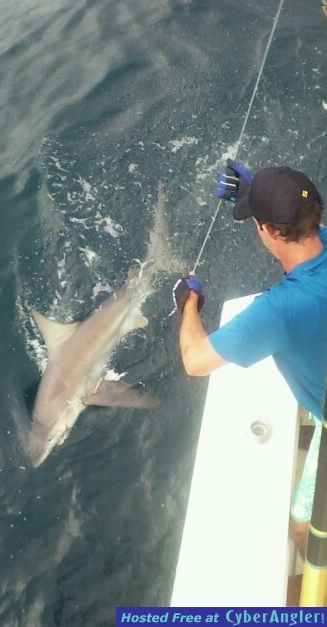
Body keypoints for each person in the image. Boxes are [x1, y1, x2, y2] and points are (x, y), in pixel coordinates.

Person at [173, 162, 327, 559]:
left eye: (257, 221)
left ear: (270, 231)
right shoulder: (321, 234)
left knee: (301, 527)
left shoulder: (279, 310)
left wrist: (188, 306)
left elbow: (195, 360)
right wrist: (254, 190)